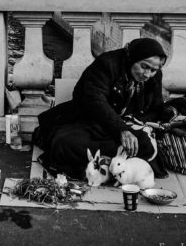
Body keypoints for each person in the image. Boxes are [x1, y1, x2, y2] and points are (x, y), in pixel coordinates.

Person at [33, 37, 167, 179]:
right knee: (63, 142)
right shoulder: (107, 64)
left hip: (125, 124)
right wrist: (121, 128)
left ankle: (112, 167)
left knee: (145, 144)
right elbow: (95, 101)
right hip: (89, 120)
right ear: (133, 58)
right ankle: (114, 166)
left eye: (153, 70)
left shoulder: (154, 76)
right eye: (144, 66)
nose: (147, 74)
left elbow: (155, 108)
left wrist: (139, 125)